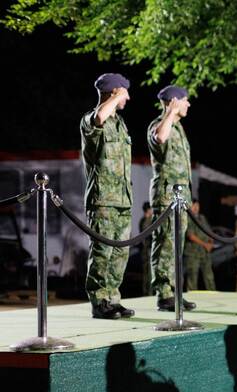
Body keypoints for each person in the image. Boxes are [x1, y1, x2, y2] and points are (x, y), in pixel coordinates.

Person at [80, 73, 135, 320]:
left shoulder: (120, 124)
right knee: (102, 252)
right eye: (124, 92)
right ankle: (99, 301)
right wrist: (115, 98)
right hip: (102, 200)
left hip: (123, 199)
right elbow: (99, 118)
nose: (128, 98)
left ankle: (113, 299)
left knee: (120, 253)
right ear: (113, 92)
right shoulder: (91, 120)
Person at [147, 85, 196, 311]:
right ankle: (163, 294)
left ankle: (174, 291)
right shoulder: (159, 125)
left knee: (177, 245)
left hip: (181, 197)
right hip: (166, 196)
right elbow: (160, 138)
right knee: (166, 244)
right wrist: (169, 112)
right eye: (184, 100)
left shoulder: (180, 128)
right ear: (173, 102)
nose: (188, 104)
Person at [184, 199, 216, 291]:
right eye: (194, 205)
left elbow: (208, 231)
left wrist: (211, 241)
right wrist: (205, 244)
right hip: (193, 253)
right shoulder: (188, 218)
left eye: (197, 205)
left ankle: (213, 294)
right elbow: (191, 235)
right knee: (193, 277)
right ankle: (192, 297)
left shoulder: (202, 218)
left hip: (205, 252)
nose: (196, 208)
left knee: (209, 276)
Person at [139, 201, 153, 296]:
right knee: (148, 274)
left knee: (149, 274)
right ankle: (148, 293)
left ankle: (149, 292)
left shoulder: (145, 220)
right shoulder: (145, 221)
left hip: (148, 250)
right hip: (147, 251)